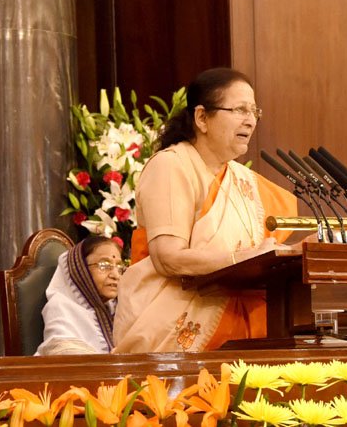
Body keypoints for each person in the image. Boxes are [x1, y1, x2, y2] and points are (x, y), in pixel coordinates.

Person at [113, 67, 297, 353]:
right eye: (238, 109)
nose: (250, 120)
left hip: (242, 336)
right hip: (173, 335)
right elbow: (168, 259)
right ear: (202, 118)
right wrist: (242, 258)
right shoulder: (172, 166)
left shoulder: (243, 180)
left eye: (253, 111)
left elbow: (266, 251)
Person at [36, 235, 124, 355]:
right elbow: (63, 353)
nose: (116, 275)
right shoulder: (60, 306)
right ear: (80, 269)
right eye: (104, 265)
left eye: (119, 267)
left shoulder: (117, 308)